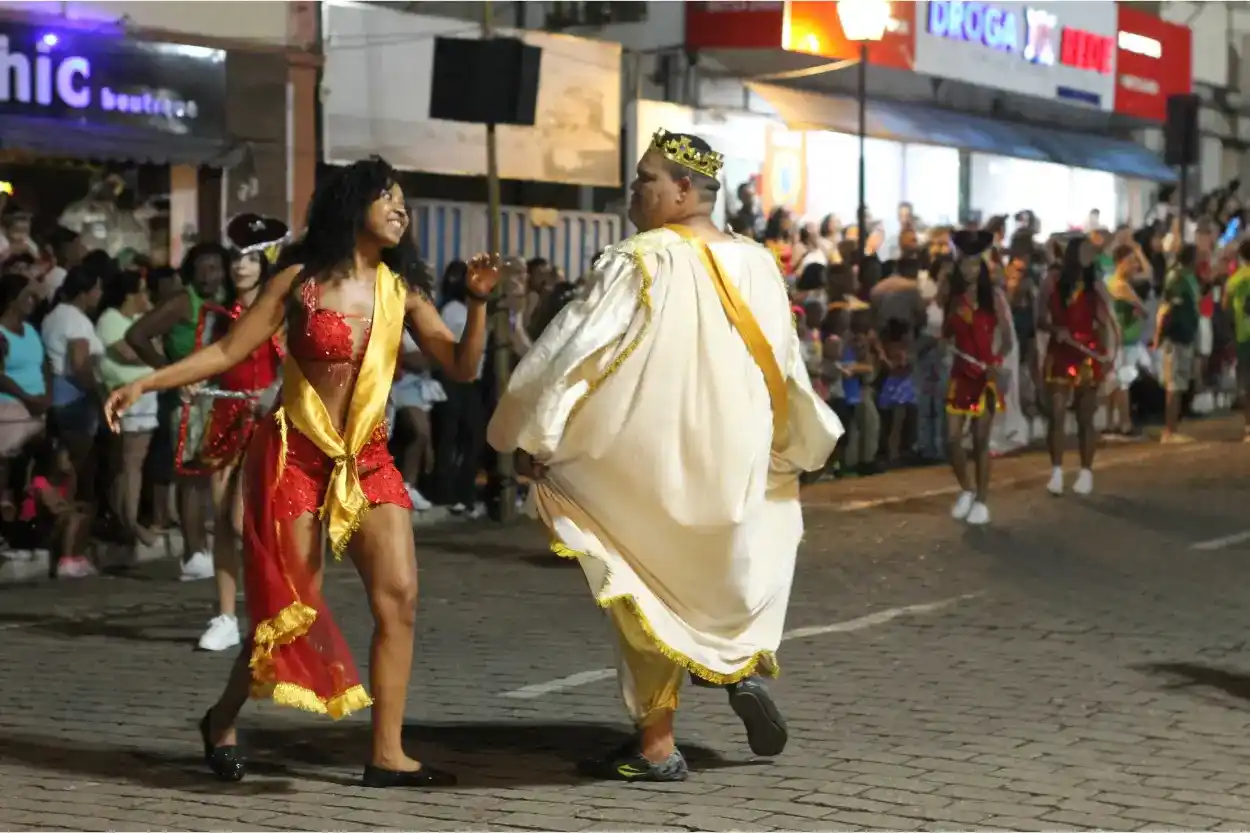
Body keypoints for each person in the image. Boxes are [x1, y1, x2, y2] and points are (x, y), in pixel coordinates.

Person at [105, 157, 498, 787]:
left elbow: (461, 366)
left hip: (368, 458)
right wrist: (147, 381)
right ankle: (222, 719)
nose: (401, 209)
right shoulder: (298, 281)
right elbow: (230, 350)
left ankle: (387, 754)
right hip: (296, 458)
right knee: (287, 613)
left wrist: (477, 305)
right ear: (351, 206)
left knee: (399, 600)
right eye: (387, 198)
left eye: (404, 201)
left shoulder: (404, 291)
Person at [487, 129, 843, 781]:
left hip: (654, 454)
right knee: (721, 571)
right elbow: (788, 363)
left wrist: (533, 433)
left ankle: (656, 741)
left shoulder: (640, 259)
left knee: (635, 578)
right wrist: (793, 442)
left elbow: (575, 351)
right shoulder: (760, 263)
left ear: (684, 189)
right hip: (736, 455)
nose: (634, 189)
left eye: (645, 178)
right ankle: (735, 667)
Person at [187, 214, 288, 653]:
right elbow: (208, 358)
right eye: (235, 258)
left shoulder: (278, 311)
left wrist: (272, 392)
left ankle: (275, 608)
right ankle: (226, 616)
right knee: (222, 525)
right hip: (224, 417)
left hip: (267, 420)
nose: (241, 266)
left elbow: (292, 367)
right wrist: (190, 380)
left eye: (250, 258)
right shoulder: (219, 314)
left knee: (239, 518)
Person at [125, 242, 231, 581]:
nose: (208, 274)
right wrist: (169, 374)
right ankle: (193, 553)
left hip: (215, 395)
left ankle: (205, 548)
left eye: (214, 267)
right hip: (186, 399)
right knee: (190, 478)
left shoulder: (224, 299)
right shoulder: (182, 301)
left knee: (209, 475)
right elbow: (136, 335)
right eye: (202, 267)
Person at [942, 231, 1014, 526]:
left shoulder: (993, 297)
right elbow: (946, 335)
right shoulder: (952, 299)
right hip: (960, 375)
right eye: (964, 265)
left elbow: (1007, 339)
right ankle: (967, 489)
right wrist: (942, 344)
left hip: (986, 376)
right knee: (952, 439)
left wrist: (996, 362)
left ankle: (982, 499)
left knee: (981, 441)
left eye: (974, 265)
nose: (969, 271)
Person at [1039, 237, 1118, 496]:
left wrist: (1106, 359)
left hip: (1088, 353)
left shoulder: (1096, 286)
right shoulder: (1052, 282)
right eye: (1085, 251)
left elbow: (1105, 323)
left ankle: (1086, 471)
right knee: (1057, 414)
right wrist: (1055, 329)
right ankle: (1056, 471)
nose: (1089, 256)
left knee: (1086, 415)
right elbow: (1040, 319)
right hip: (1060, 352)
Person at [96, 269, 159, 546]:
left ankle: (126, 520)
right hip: (126, 399)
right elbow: (130, 353)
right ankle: (129, 523)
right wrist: (147, 348)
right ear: (129, 294)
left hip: (146, 397)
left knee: (134, 463)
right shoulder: (110, 319)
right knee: (128, 463)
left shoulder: (138, 320)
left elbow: (155, 347)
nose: (146, 296)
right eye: (142, 291)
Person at [0, 271, 49, 520]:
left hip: (37, 409)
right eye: (27, 296)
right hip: (10, 411)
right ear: (11, 300)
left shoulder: (31, 330)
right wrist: (26, 398)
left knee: (32, 471)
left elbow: (44, 366)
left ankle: (25, 524)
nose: (33, 301)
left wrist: (45, 397)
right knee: (10, 471)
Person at [1155, 244, 1202, 444]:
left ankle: (1174, 427)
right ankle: (1169, 430)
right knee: (1173, 384)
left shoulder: (1188, 277)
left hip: (1186, 336)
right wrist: (1161, 335)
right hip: (1175, 338)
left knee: (1180, 382)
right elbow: (1167, 309)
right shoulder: (1177, 278)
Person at [1223, 238, 1250, 441]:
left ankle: (1249, 427)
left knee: (1245, 383)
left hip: (1244, 335)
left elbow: (1225, 304)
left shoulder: (1236, 278)